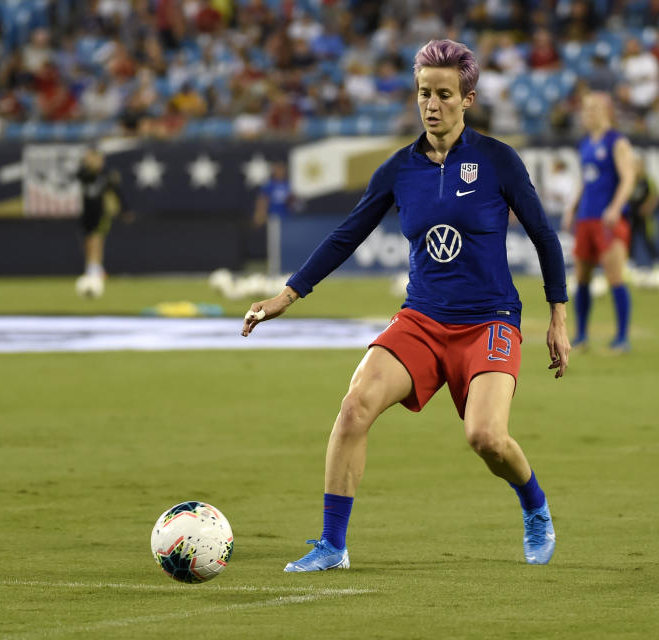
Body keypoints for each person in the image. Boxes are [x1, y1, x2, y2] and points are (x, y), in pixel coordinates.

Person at [241, 39, 570, 570]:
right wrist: (288, 293)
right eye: (423, 93)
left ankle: (534, 505)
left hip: (489, 321)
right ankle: (332, 545)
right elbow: (348, 233)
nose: (431, 104)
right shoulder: (399, 168)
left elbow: (545, 236)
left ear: (468, 99)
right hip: (421, 319)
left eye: (443, 94)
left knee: (486, 438)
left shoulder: (497, 160)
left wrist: (557, 313)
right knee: (353, 409)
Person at [562, 92, 636, 352]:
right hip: (586, 218)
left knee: (615, 276)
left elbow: (628, 178)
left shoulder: (617, 142)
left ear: (606, 111)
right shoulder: (585, 144)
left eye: (592, 109)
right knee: (582, 278)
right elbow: (585, 179)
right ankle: (581, 335)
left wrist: (615, 208)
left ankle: (622, 337)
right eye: (585, 109)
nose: (587, 114)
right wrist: (572, 208)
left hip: (608, 220)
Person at [75, 146, 123, 296]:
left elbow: (116, 192)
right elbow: (80, 175)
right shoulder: (85, 174)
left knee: (97, 238)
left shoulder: (106, 176)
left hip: (100, 213)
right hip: (86, 212)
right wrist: (87, 163)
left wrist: (124, 209)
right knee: (88, 240)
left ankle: (95, 268)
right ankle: (92, 266)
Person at [253, 161, 293, 275]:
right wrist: (260, 214)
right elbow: (263, 200)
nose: (280, 172)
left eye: (282, 169)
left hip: (287, 219)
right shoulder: (270, 185)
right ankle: (274, 269)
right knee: (274, 244)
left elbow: (293, 202)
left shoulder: (288, 185)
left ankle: (286, 268)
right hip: (274, 219)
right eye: (277, 169)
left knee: (287, 245)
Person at [627, 156, 659, 275]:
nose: (636, 168)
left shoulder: (647, 180)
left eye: (638, 165)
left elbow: (655, 196)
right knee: (630, 240)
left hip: (645, 217)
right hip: (632, 216)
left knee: (648, 240)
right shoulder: (630, 181)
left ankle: (658, 263)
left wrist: (648, 208)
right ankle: (630, 264)